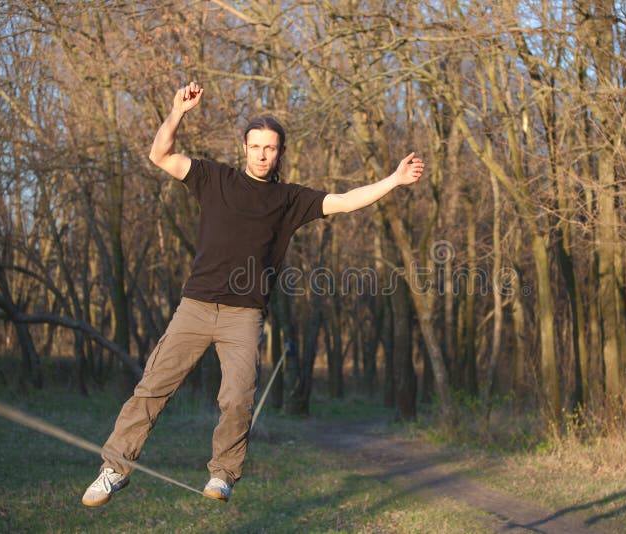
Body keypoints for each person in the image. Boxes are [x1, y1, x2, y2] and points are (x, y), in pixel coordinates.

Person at [81, 81, 424, 506]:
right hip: (196, 306)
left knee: (238, 399)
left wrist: (393, 179)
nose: (263, 154)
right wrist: (177, 112)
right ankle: (114, 469)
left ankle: (222, 474)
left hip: (244, 315)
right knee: (152, 388)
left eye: (271, 148)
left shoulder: (289, 199)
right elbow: (160, 155)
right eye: (256, 145)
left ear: (280, 152)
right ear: (244, 147)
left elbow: (347, 200)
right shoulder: (213, 178)